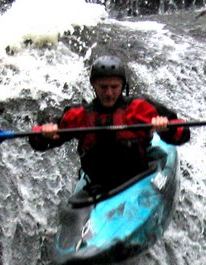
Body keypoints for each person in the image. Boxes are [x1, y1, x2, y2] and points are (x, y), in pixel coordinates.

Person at [29, 55, 190, 192]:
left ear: (123, 86)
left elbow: (183, 133)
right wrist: (45, 134)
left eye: (114, 87)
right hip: (98, 186)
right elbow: (39, 143)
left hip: (139, 179)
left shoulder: (141, 107)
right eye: (103, 87)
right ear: (93, 85)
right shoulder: (78, 115)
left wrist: (166, 128)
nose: (109, 93)